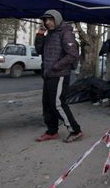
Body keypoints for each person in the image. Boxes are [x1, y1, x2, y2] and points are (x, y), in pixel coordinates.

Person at [34, 9, 83, 143]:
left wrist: (55, 66)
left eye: (50, 19)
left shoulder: (66, 33)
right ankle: (52, 131)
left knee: (57, 104)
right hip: (48, 74)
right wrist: (40, 34)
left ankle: (75, 130)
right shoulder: (50, 33)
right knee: (47, 105)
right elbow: (39, 50)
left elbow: (72, 55)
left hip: (60, 74)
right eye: (45, 20)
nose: (48, 22)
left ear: (57, 19)